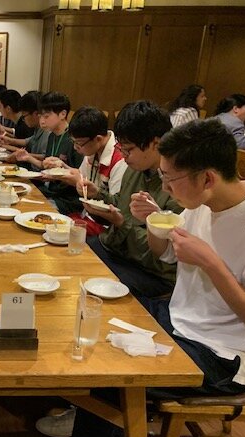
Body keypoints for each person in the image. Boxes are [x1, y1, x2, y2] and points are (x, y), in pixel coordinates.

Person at [67, 118, 245, 437]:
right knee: (92, 318)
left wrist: (211, 263)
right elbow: (163, 254)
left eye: (169, 179)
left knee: (117, 369)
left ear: (207, 179)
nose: (164, 187)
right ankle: (92, 424)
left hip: (224, 353)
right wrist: (154, 222)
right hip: (178, 318)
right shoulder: (199, 201)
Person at [77, 100, 183, 303]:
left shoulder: (178, 183)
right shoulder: (135, 169)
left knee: (95, 285)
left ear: (156, 143)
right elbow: (121, 202)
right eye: (121, 149)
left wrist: (121, 223)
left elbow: (167, 254)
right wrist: (98, 195)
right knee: (77, 253)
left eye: (129, 150)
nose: (124, 157)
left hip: (152, 271)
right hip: (119, 250)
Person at [65, 107, 127, 235]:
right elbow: (81, 176)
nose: (75, 148)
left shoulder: (120, 160)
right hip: (88, 216)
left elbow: (116, 207)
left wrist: (93, 192)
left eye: (79, 143)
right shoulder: (92, 149)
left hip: (107, 227)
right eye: (73, 142)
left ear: (98, 139)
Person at [32, 91, 84, 215]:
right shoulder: (52, 136)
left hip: (67, 200)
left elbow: (81, 176)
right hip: (51, 192)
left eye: (46, 116)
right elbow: (47, 167)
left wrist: (57, 176)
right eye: (40, 116)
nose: (42, 121)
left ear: (63, 114)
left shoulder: (75, 139)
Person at [0, 90, 50, 166]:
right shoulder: (38, 128)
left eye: (24, 116)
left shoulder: (47, 132)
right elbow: (29, 141)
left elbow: (45, 158)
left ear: (36, 114)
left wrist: (22, 155)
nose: (23, 119)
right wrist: (10, 141)